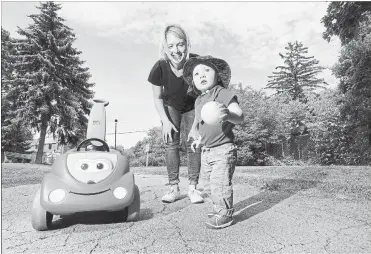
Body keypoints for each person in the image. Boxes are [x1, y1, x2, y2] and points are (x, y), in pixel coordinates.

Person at [183, 55, 244, 229]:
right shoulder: (198, 100)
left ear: (218, 76)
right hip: (207, 150)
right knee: (207, 185)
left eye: (207, 70)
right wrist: (197, 137)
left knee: (220, 183)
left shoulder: (222, 93)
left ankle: (225, 214)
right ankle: (219, 208)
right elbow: (199, 122)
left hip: (223, 149)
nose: (201, 75)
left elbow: (240, 117)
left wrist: (229, 115)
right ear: (193, 81)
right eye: (196, 73)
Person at [148, 24, 204, 204]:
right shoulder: (159, 67)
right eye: (170, 46)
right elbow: (157, 98)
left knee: (193, 143)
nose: (176, 50)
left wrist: (196, 125)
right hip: (170, 106)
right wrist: (165, 120)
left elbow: (204, 95)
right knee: (171, 143)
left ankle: (193, 188)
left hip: (193, 106)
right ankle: (173, 188)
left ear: (187, 44)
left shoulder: (196, 63)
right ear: (164, 48)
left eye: (180, 44)